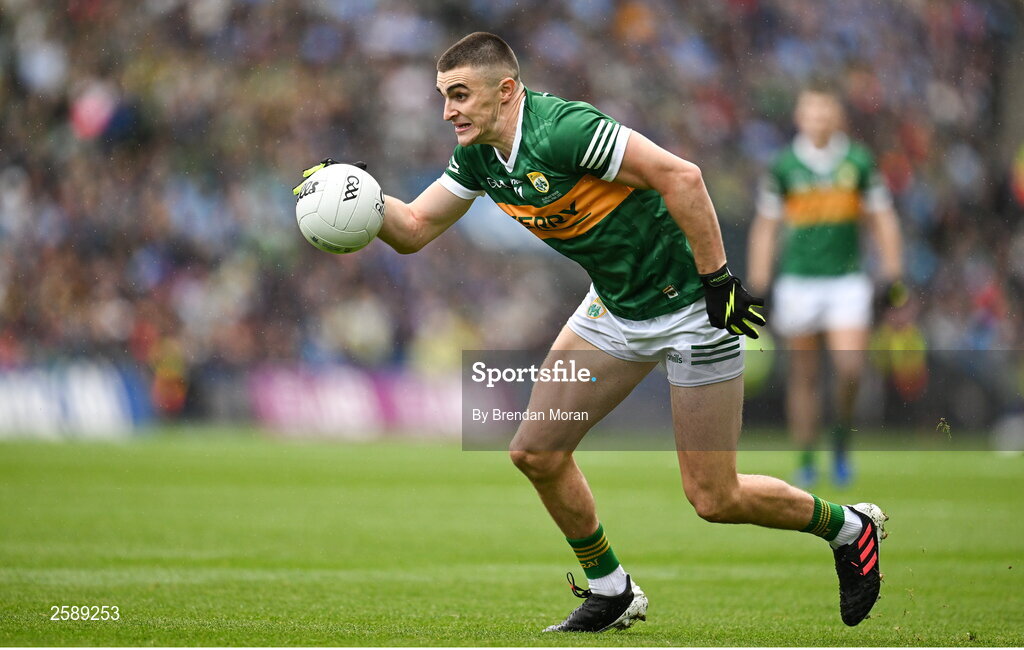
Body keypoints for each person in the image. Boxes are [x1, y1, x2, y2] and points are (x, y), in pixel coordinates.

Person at [296, 33, 887, 632]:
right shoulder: (478, 153)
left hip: (692, 309)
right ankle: (612, 590)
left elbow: (682, 177)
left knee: (714, 497)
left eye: (459, 95)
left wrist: (719, 281)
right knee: (536, 452)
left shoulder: (564, 130)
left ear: (506, 92)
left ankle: (849, 527)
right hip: (615, 310)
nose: (447, 110)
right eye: (443, 96)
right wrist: (356, 196)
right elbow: (416, 226)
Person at [747, 86, 905, 488]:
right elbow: (766, 227)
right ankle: (805, 458)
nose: (817, 118)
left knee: (850, 368)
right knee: (804, 376)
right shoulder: (783, 166)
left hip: (846, 281)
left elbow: (882, 218)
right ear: (800, 117)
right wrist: (759, 282)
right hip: (798, 282)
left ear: (836, 116)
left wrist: (892, 271)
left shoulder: (857, 161)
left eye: (824, 110)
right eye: (810, 111)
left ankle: (839, 443)